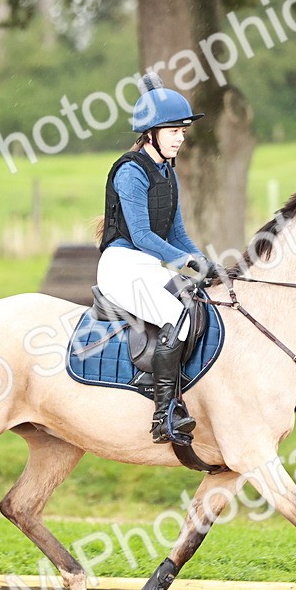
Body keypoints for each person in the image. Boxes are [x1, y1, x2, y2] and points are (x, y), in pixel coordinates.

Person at [96, 73, 214, 446]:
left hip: (147, 265)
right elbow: (144, 236)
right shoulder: (130, 171)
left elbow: (176, 233)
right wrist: (186, 262)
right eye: (173, 130)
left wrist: (201, 260)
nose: (181, 136)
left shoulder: (167, 170)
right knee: (176, 315)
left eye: (182, 130)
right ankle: (163, 415)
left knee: (203, 304)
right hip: (121, 266)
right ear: (150, 133)